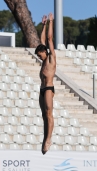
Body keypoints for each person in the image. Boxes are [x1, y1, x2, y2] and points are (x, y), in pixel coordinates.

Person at [35, 13, 56, 155]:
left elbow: (48, 39)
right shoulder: (43, 61)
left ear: (44, 52)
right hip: (42, 89)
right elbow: (42, 40)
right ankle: (44, 138)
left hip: (48, 88)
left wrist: (50, 22)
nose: (39, 57)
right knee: (43, 116)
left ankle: (48, 139)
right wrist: (43, 25)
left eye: (39, 54)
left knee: (49, 114)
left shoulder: (51, 59)